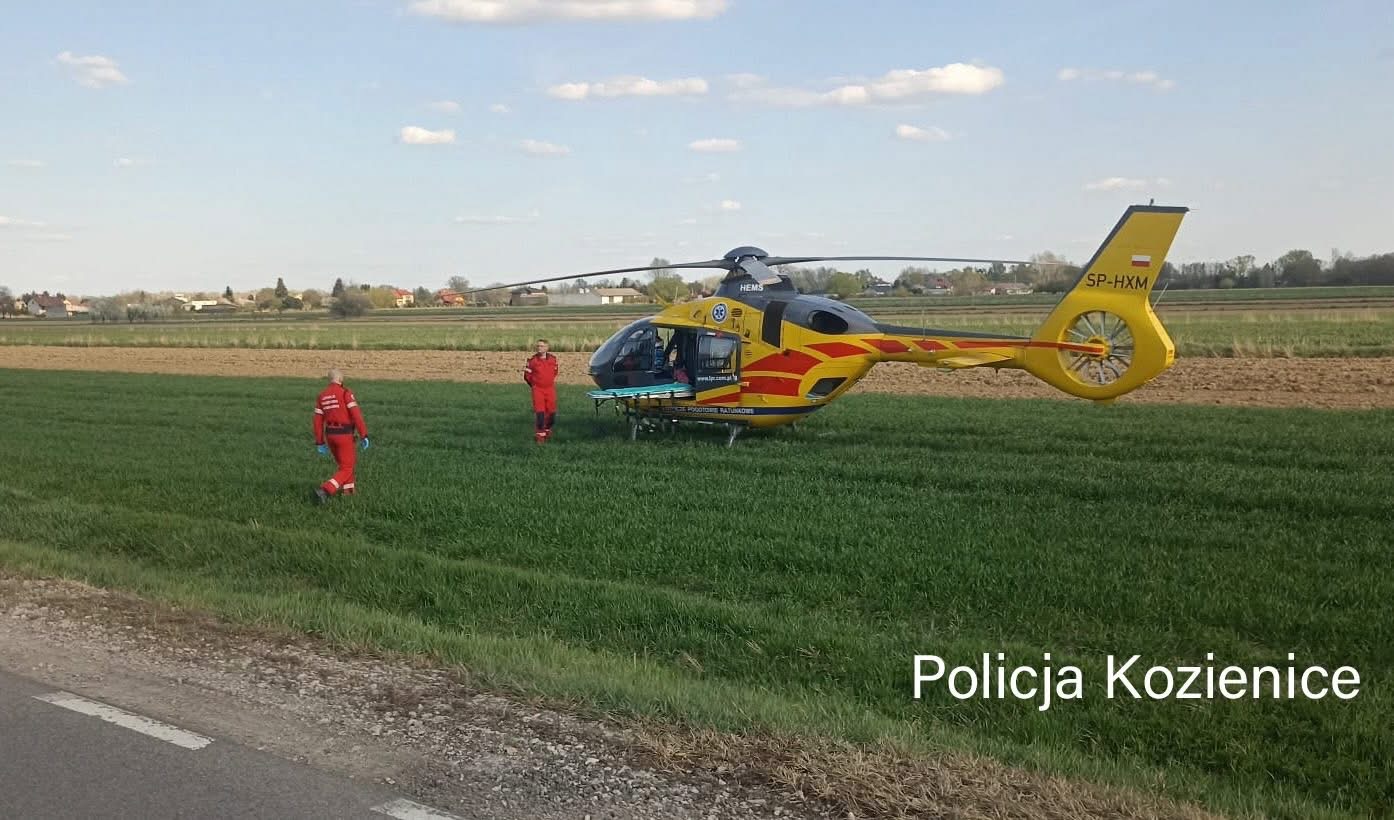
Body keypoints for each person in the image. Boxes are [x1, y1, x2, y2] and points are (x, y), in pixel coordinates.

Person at [313, 367, 369, 503]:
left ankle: (349, 492)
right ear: (340, 379)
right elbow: (356, 415)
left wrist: (320, 442)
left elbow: (317, 421)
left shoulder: (322, 396)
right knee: (347, 467)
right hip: (344, 435)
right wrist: (364, 435)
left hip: (330, 435)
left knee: (344, 465)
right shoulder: (345, 393)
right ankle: (325, 490)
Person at [523, 339, 559, 443]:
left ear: (547, 348)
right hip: (538, 390)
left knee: (552, 412)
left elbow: (555, 371)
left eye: (542, 346)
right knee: (540, 413)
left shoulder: (553, 359)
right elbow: (527, 376)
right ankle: (540, 435)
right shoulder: (532, 361)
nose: (539, 348)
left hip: (550, 389)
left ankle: (547, 429)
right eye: (538, 346)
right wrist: (535, 385)